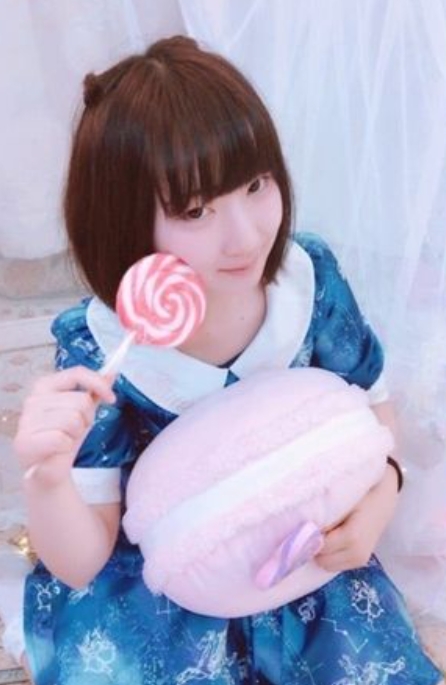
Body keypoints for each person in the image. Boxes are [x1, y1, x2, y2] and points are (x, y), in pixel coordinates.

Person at [13, 35, 442, 685]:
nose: (244, 236)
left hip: (303, 555)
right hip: (167, 585)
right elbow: (81, 560)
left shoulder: (308, 282)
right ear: (124, 220)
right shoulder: (102, 351)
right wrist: (47, 479)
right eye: (195, 210)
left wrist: (385, 487)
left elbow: (373, 408)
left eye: (256, 185)